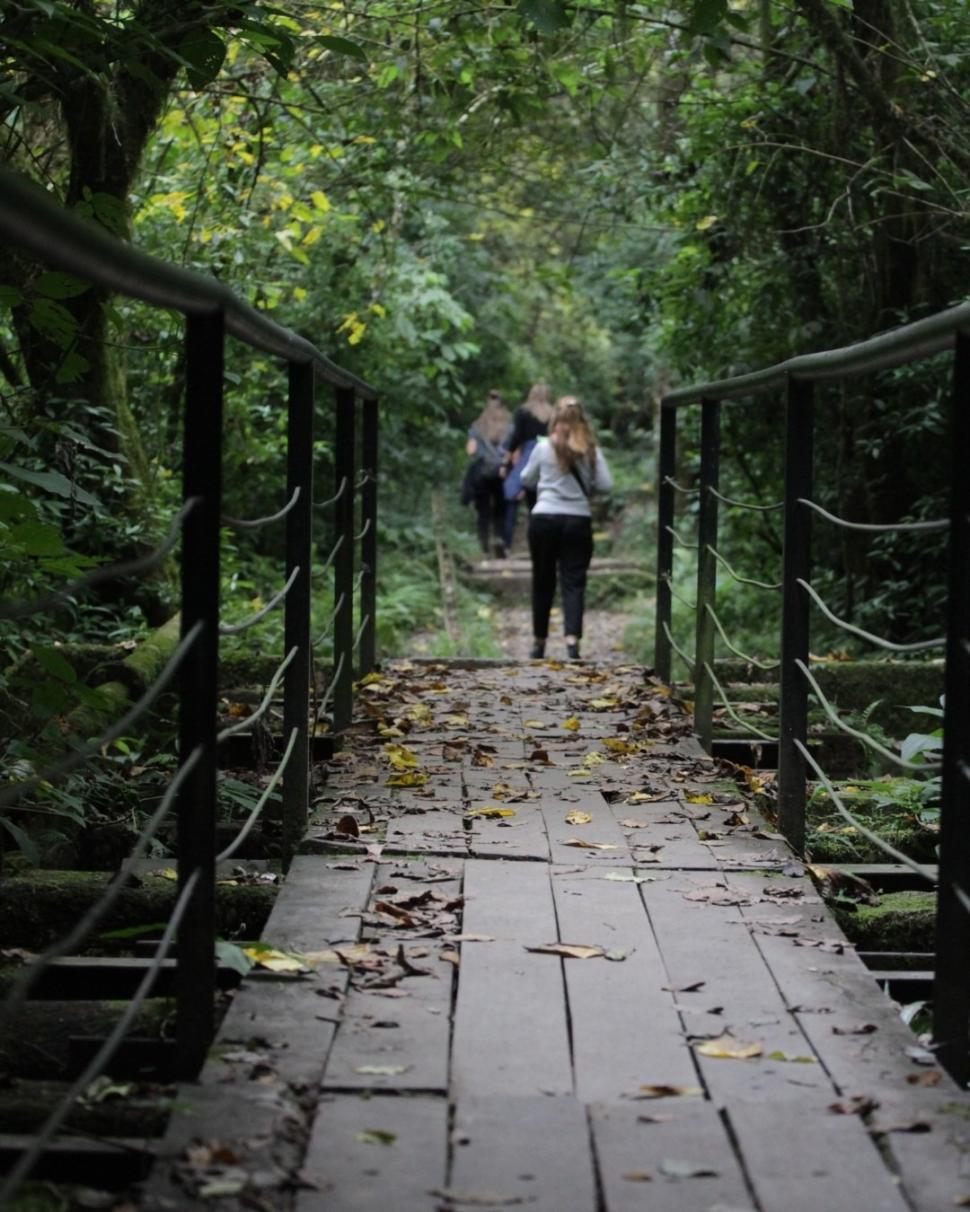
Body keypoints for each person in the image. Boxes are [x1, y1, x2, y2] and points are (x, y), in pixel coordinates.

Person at [519, 396, 613, 660]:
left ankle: (539, 642)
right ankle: (572, 642)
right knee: (573, 582)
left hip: (544, 520)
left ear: (555, 421)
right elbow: (606, 485)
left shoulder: (543, 448)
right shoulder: (591, 449)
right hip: (577, 521)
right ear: (582, 422)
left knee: (543, 580)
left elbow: (526, 478)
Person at [500, 380, 553, 550]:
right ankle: (543, 544)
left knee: (511, 495)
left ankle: (507, 542)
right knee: (541, 504)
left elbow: (516, 437)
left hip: (529, 456)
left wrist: (506, 462)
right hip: (550, 458)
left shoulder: (524, 412)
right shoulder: (553, 413)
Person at [464, 390, 511, 559]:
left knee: (483, 511)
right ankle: (500, 539)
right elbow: (513, 450)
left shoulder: (478, 425)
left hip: (482, 474)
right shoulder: (509, 426)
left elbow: (470, 450)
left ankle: (483, 546)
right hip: (502, 473)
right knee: (501, 510)